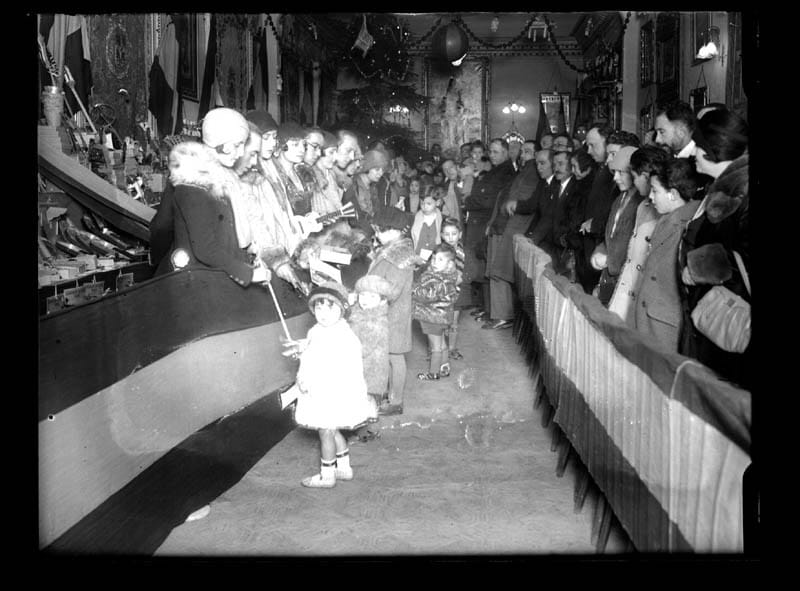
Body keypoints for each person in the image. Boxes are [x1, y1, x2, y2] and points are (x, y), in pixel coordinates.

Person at [155, 107, 271, 287]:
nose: (241, 153)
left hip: (215, 276)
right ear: (221, 145)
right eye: (237, 145)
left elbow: (227, 234)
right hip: (194, 283)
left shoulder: (222, 177)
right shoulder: (193, 182)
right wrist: (247, 273)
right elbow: (205, 248)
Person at [677, 108, 750, 388]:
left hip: (731, 324)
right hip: (712, 319)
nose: (692, 152)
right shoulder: (722, 187)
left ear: (714, 149)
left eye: (698, 146)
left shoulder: (741, 192)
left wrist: (697, 269)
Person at [282, 281, 377, 488]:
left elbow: (330, 364)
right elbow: (315, 348)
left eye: (330, 306)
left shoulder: (343, 335)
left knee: (325, 431)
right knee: (332, 430)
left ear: (342, 309)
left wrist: (307, 376)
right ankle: (344, 468)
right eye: (318, 306)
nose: (323, 312)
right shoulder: (318, 330)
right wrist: (302, 347)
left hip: (329, 393)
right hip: (325, 391)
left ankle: (327, 477)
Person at [633, 157, 700, 351]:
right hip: (652, 321)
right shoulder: (667, 220)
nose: (651, 197)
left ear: (673, 194)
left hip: (665, 328)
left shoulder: (687, 227)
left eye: (655, 191)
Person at [236, 121, 307, 293]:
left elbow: (283, 215)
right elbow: (256, 221)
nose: (271, 143)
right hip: (263, 258)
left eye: (274, 137)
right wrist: (278, 261)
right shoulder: (248, 175)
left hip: (281, 252)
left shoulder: (271, 169)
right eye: (265, 137)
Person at [367, 206, 420, 416]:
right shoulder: (393, 250)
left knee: (395, 357)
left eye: (379, 231)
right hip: (388, 312)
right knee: (389, 356)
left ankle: (396, 401)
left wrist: (367, 295)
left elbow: (393, 290)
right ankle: (390, 396)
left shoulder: (399, 256)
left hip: (393, 313)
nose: (377, 235)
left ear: (394, 230)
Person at [607, 146, 667, 322]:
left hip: (647, 303)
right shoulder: (643, 206)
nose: (633, 182)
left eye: (633, 177)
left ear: (646, 176)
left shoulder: (664, 211)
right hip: (627, 290)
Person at [486, 139, 540, 330]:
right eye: (522, 152)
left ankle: (503, 315)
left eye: (527, 152)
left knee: (501, 271)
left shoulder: (531, 173)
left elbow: (522, 199)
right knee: (498, 269)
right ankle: (499, 314)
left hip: (515, 225)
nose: (523, 155)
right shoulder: (524, 172)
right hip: (506, 224)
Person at [462, 138, 516, 323]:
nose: (492, 155)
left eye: (496, 152)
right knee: (480, 265)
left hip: (485, 221)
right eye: (490, 152)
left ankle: (493, 310)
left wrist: (467, 201)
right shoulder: (494, 171)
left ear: (506, 152)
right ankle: (486, 308)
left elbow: (488, 200)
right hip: (479, 221)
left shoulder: (506, 173)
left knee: (486, 265)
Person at [590, 145, 644, 306]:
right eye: (615, 173)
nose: (615, 178)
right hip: (610, 279)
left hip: (628, 284)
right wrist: (599, 251)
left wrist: (610, 260)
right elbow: (610, 239)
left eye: (622, 173)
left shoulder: (642, 204)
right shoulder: (618, 200)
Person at [348, 274, 393, 443]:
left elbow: (363, 349)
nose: (365, 300)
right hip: (365, 367)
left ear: (382, 300)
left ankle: (370, 430)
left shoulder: (375, 321)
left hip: (371, 369)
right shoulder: (361, 313)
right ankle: (368, 428)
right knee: (368, 400)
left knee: (368, 401)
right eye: (362, 295)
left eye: (372, 296)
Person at [576, 124, 616, 294]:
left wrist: (596, 223)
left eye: (593, 145)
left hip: (601, 244)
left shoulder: (615, 173)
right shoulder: (599, 169)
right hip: (589, 243)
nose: (589, 151)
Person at [412, 243, 460, 381]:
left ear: (450, 263)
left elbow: (427, 295)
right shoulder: (448, 275)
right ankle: (444, 368)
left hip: (432, 317)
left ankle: (433, 373)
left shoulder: (438, 279)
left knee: (435, 347)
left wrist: (413, 290)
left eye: (440, 260)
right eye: (433, 259)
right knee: (442, 344)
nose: (434, 263)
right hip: (442, 316)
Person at [344, 148, 390, 236]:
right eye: (377, 169)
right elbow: (354, 219)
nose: (381, 173)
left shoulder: (373, 188)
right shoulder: (352, 186)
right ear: (367, 168)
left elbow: (376, 213)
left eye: (382, 170)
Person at [440, 217, 467, 360]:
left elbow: (467, 270)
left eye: (454, 234)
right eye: (447, 234)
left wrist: (461, 278)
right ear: (442, 235)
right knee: (439, 321)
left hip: (457, 292)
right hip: (442, 291)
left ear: (460, 234)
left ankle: (452, 348)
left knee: (453, 322)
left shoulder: (462, 251)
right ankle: (437, 349)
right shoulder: (439, 251)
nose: (451, 238)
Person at [410, 188, 443, 257]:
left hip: (433, 256)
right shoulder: (415, 219)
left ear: (438, 202)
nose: (425, 207)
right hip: (417, 256)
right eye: (422, 203)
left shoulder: (440, 218)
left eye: (429, 204)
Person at [440, 159, 462, 224]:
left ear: (457, 167)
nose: (448, 171)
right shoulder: (445, 187)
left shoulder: (468, 181)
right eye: (445, 170)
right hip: (455, 225)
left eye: (451, 167)